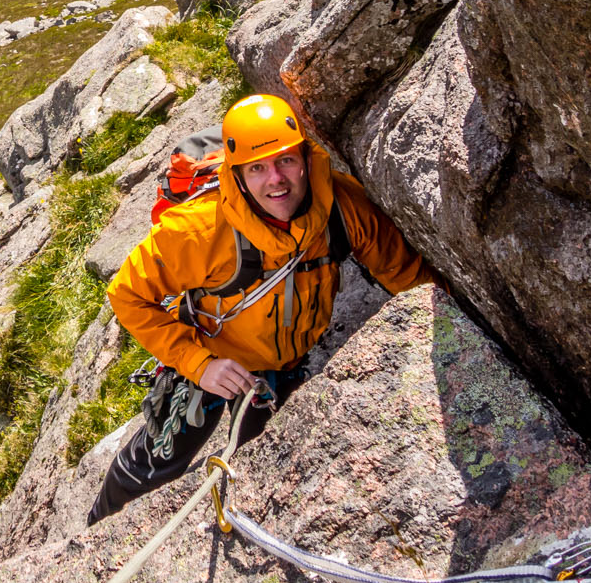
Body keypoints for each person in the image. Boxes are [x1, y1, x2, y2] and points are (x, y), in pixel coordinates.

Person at [88, 93, 439, 524]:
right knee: (154, 462)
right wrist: (198, 364)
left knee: (254, 461)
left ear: (307, 159)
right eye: (257, 168)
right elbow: (127, 294)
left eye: (286, 161)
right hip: (210, 357)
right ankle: (88, 542)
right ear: (236, 175)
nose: (276, 180)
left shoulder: (343, 209)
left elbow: (408, 277)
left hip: (284, 365)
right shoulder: (199, 231)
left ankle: (236, 519)